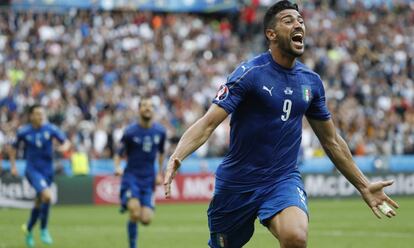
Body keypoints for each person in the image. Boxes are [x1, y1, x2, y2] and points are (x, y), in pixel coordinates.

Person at [164, 1, 399, 248]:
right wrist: (177, 155)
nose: (298, 24)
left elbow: (331, 141)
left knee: (295, 237)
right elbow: (208, 123)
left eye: (300, 20)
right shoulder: (250, 74)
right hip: (237, 183)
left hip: (282, 179)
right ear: (271, 34)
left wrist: (363, 185)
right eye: (288, 20)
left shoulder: (311, 82)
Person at [9, 104, 70, 248]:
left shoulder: (50, 128)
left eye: (42, 113)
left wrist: (63, 147)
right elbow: (12, 148)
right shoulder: (24, 132)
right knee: (48, 196)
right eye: (37, 113)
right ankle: (44, 229)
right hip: (32, 170)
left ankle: (29, 229)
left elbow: (66, 142)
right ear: (31, 116)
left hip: (48, 171)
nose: (40, 116)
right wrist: (13, 166)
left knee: (39, 201)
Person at [114, 97, 166, 248]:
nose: (147, 108)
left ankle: (128, 204)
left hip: (149, 179)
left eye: (150, 106)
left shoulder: (160, 132)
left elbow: (162, 153)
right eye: (144, 105)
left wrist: (159, 173)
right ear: (139, 110)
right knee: (135, 212)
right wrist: (117, 167)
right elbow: (118, 154)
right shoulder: (130, 132)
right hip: (131, 177)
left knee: (146, 219)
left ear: (154, 110)